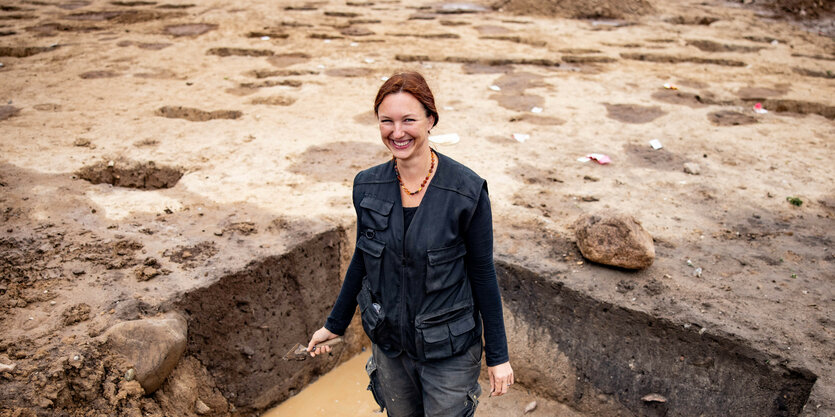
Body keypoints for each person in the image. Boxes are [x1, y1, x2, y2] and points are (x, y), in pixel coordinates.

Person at [306, 71, 513, 416]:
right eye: (387, 121)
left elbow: (482, 274)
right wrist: (334, 324)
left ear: (430, 120)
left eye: (409, 120)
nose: (397, 132)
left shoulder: (466, 192)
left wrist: (499, 355)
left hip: (448, 352)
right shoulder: (367, 187)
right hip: (390, 347)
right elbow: (362, 260)